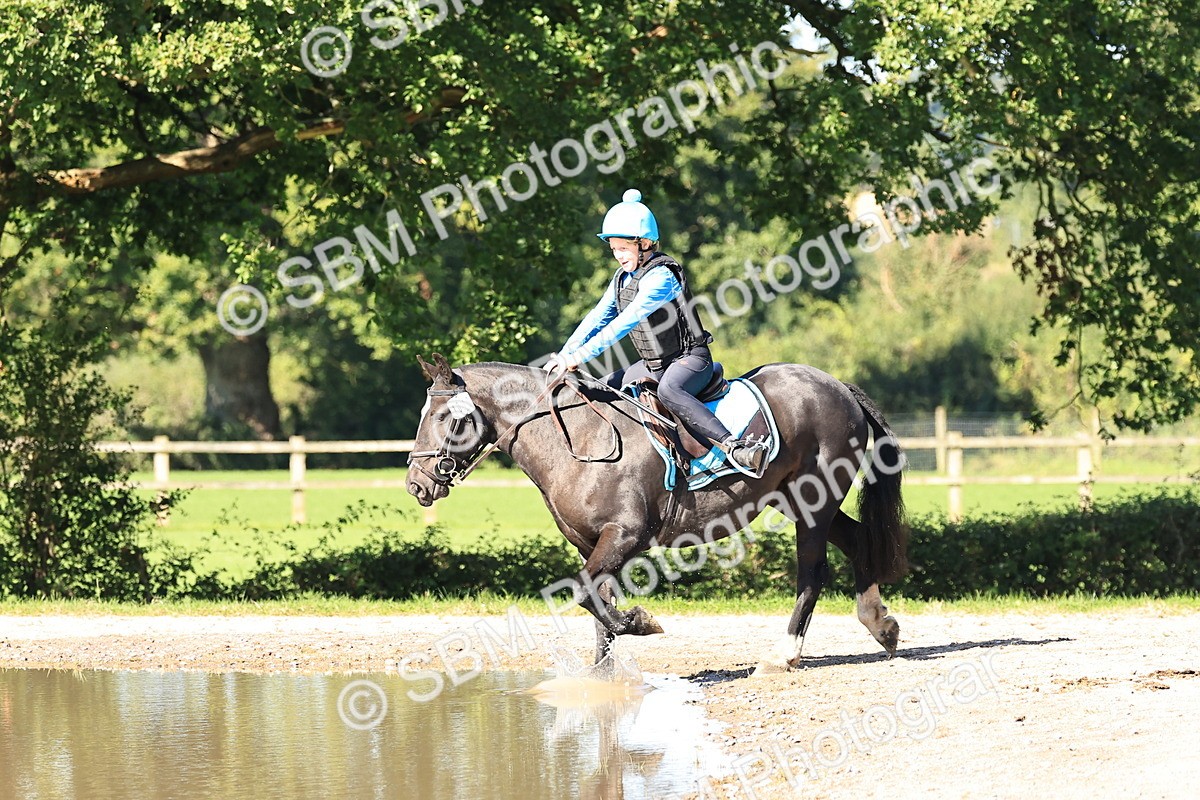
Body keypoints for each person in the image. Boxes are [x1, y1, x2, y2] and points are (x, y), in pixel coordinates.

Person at [543, 189, 768, 477]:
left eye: (623, 248)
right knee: (599, 387)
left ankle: (736, 447)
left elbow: (624, 322)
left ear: (645, 243)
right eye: (613, 249)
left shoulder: (661, 277)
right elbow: (596, 318)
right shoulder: (622, 279)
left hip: (690, 361)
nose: (618, 256)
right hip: (653, 365)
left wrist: (580, 356)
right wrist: (565, 354)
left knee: (669, 390)